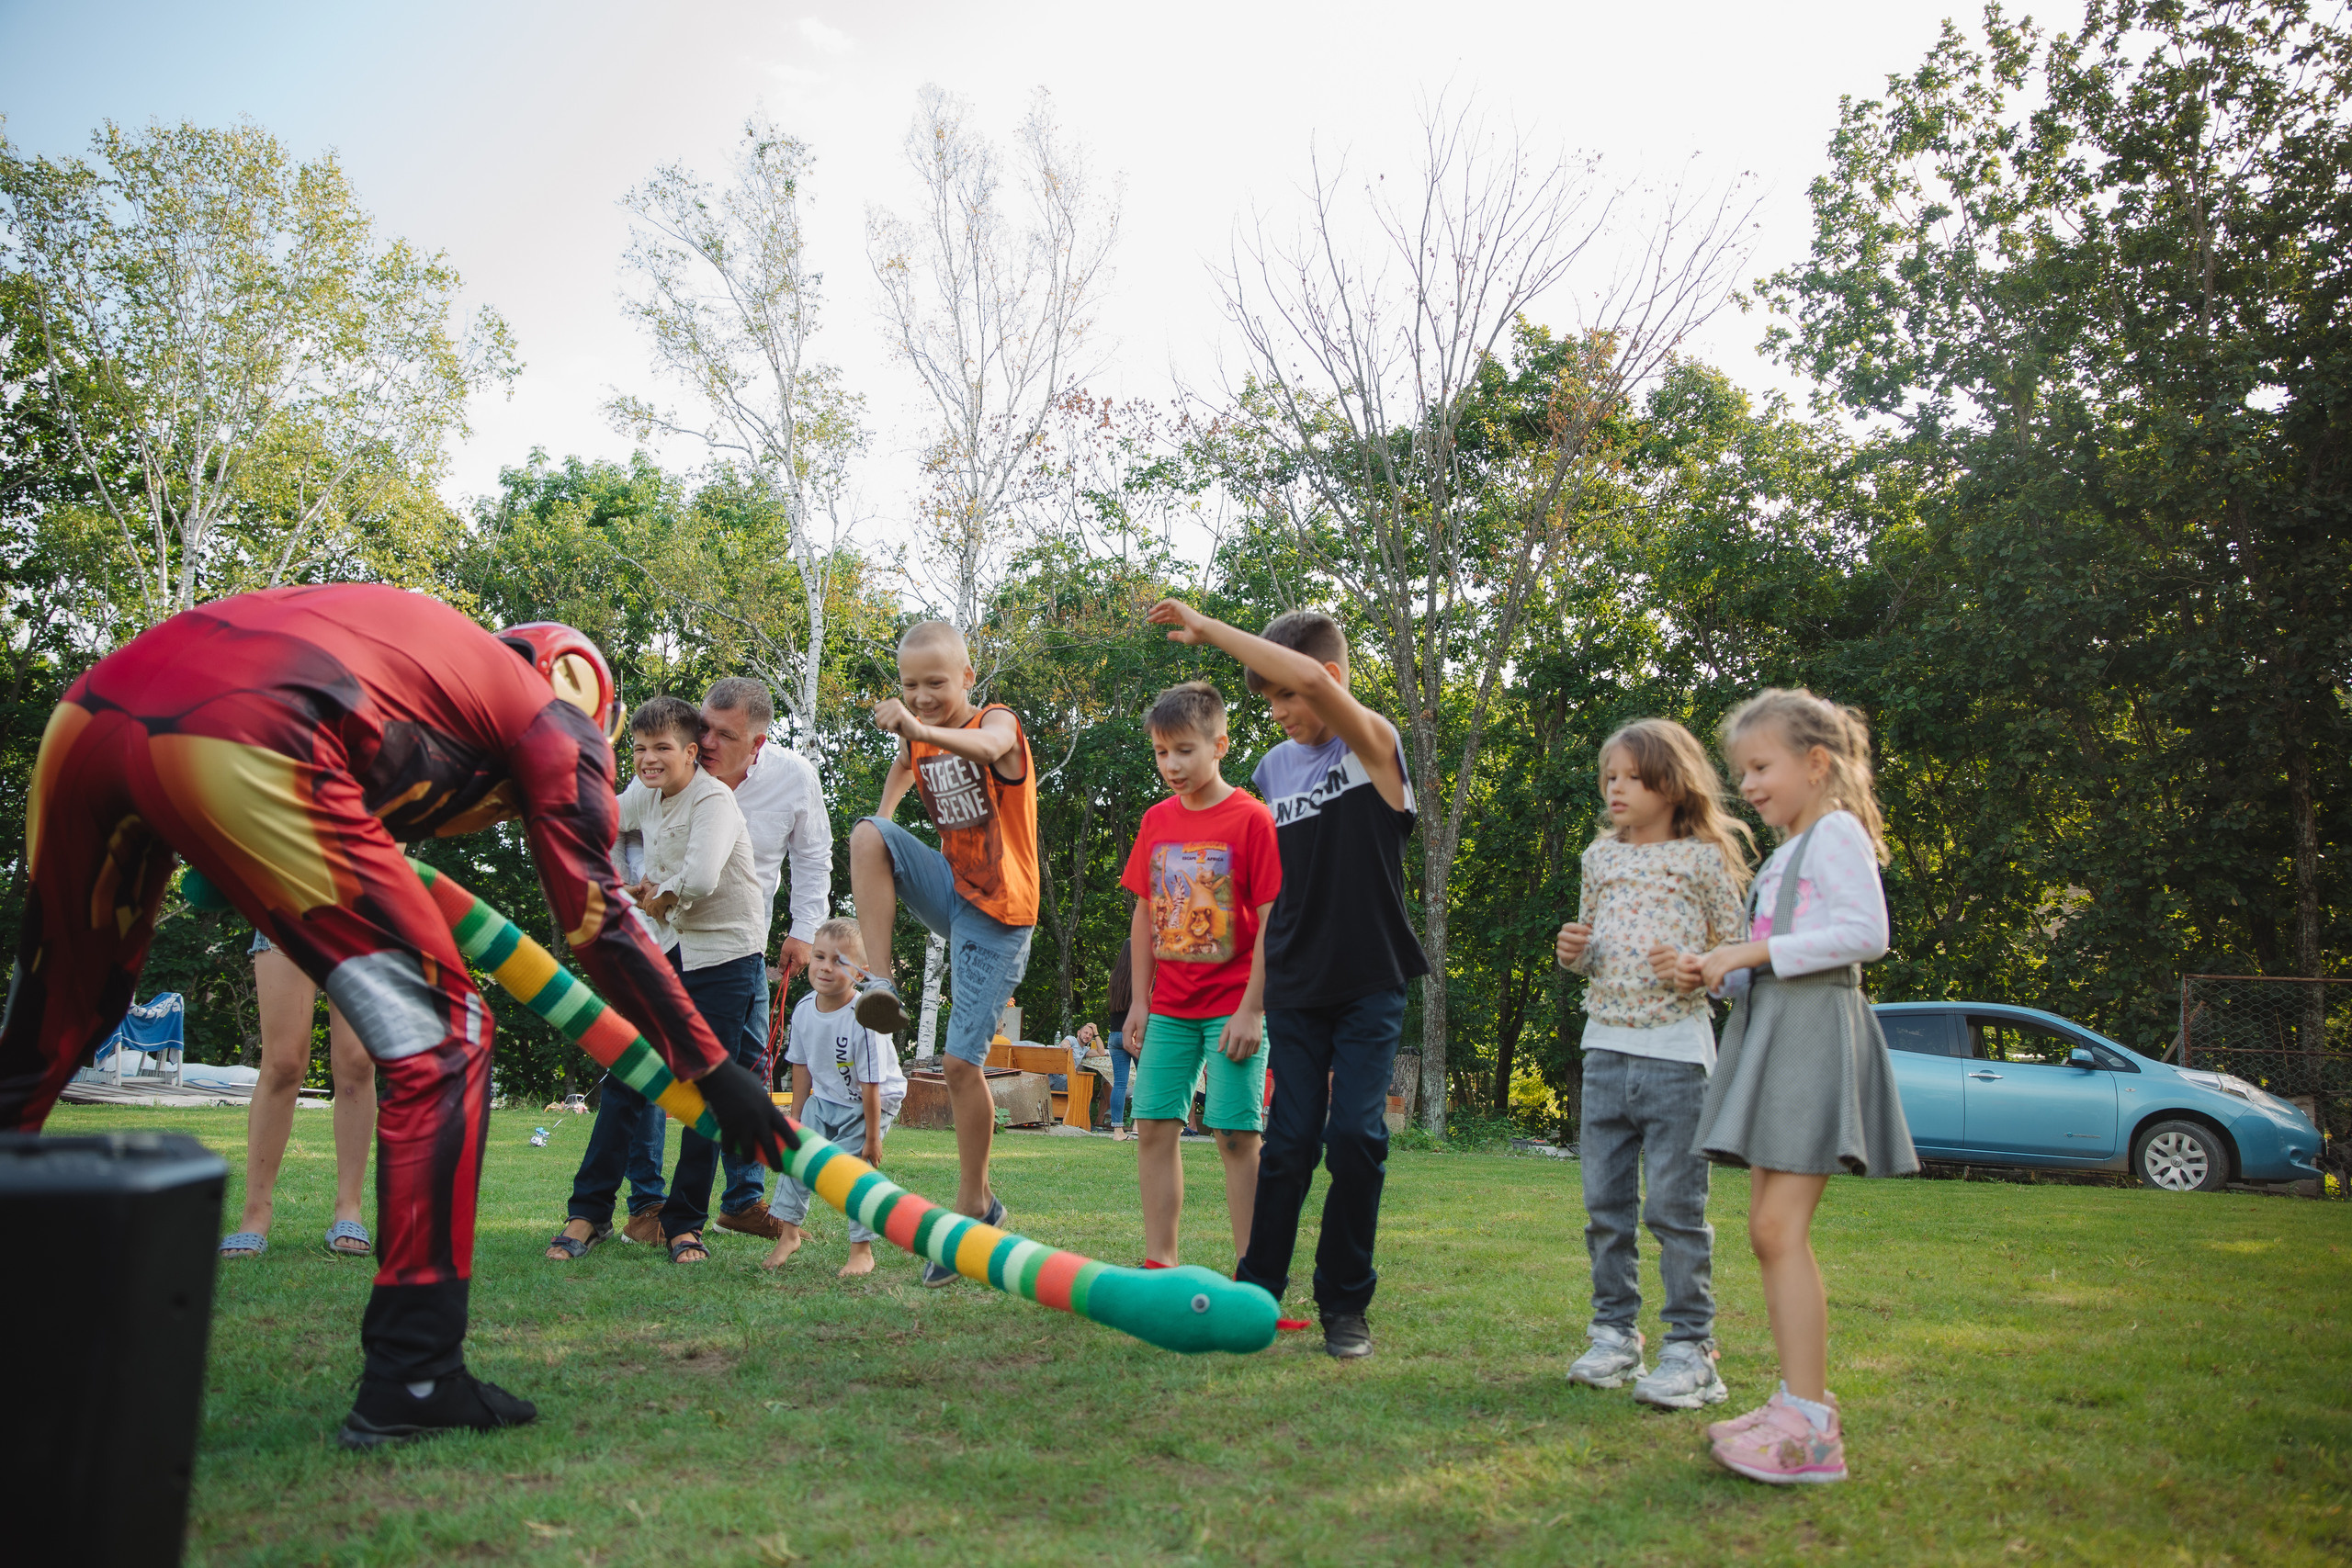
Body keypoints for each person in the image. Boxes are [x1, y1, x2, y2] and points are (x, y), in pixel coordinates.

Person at [0, 584, 794, 1448]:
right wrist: (717, 1072)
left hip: (87, 716)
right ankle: (414, 1374)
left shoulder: (424, 676)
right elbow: (597, 925)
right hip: (249, 726)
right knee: (448, 1032)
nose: (497, 818)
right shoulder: (554, 719)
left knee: (54, 1019)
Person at [1143, 599, 1427, 1360]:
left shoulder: (1374, 745)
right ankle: (1256, 1291)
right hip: (1297, 985)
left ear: (1326, 680)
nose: (1277, 710)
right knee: (1292, 1139)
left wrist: (1207, 629)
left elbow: (1307, 673)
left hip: (1370, 978)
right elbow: (1268, 891)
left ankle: (1345, 1303)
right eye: (1266, 699)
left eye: (1284, 695)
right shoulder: (1273, 770)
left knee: (1357, 1137)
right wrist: (1252, 993)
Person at [1674, 688, 1917, 1484]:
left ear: (1817, 765)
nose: (1747, 783)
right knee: (1767, 1230)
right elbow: (1772, 958)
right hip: (1776, 1030)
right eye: (1741, 769)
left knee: (1779, 1229)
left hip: (1816, 1034)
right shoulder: (1782, 855)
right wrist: (1716, 972)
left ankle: (1810, 1429)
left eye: (1761, 765)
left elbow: (1865, 935)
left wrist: (1744, 956)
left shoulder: (1837, 832)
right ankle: (1795, 1401)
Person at [1554, 719, 1750, 1409]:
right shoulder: (1598, 858)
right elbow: (1593, 952)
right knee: (1605, 1208)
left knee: (1675, 1210)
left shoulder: (1702, 861)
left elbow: (1742, 965)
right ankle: (1613, 1336)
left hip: (1676, 1059)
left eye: (1631, 777)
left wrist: (1700, 970)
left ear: (1671, 784)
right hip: (1603, 1049)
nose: (1616, 787)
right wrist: (1575, 951)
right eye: (1609, 776)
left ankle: (1691, 1350)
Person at [843, 620, 1039, 1285]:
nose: (922, 696)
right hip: (954, 892)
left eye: (935, 683)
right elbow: (905, 763)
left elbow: (989, 745)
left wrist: (919, 729)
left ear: (966, 678)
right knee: (868, 834)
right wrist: (887, 818)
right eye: (909, 685)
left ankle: (975, 1205)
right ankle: (882, 981)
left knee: (960, 1063)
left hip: (1002, 916)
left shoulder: (998, 722)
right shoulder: (917, 744)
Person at [551, 695, 768, 1267]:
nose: (648, 759)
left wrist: (653, 890)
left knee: (707, 1091)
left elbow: (698, 876)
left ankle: (684, 1224)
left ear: (691, 752)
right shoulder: (645, 795)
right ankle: (589, 1211)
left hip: (726, 955)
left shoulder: (714, 800)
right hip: (672, 948)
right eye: (640, 748)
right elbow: (602, 819)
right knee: (628, 1072)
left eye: (662, 748)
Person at [1119, 681, 1281, 1269]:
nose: (1171, 765)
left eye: (1184, 750)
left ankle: (1254, 1270)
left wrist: (1253, 1009)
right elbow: (1144, 913)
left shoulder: (1251, 819)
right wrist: (1140, 1002)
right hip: (1169, 1010)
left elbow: (1271, 922)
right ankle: (1159, 1262)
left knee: (1236, 1135)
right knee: (1154, 1127)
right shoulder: (1156, 820)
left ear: (1220, 745)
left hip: (1234, 1007)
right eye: (1162, 752)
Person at [699, 677, 833, 1239]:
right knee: (658, 1070)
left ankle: (743, 1200)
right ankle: (648, 1207)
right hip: (665, 939)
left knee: (749, 1072)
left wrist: (804, 931)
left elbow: (813, 856)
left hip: (743, 946)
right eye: (703, 725)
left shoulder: (793, 776)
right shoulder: (675, 761)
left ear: (757, 742)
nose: (705, 742)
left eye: (723, 734)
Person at [216, 932, 379, 1258]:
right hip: (284, 911)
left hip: (359, 915)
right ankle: (255, 1215)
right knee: (282, 1064)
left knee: (358, 1063)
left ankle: (349, 1207)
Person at [762, 919, 905, 1278]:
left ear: (860, 973)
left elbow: (871, 1084)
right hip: (826, 1098)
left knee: (851, 1171)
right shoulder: (805, 1009)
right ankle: (789, 1233)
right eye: (820, 957)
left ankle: (862, 1251)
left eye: (839, 961)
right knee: (798, 1158)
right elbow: (800, 1068)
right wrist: (794, 1122)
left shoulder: (865, 1018)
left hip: (871, 1101)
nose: (826, 967)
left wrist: (873, 1139)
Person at [1104, 935, 1136, 1140]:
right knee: (1145, 1081)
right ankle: (1137, 1125)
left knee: (1120, 1084)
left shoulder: (1114, 977)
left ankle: (1117, 1131)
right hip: (1133, 1035)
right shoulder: (1140, 978)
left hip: (1114, 1035)